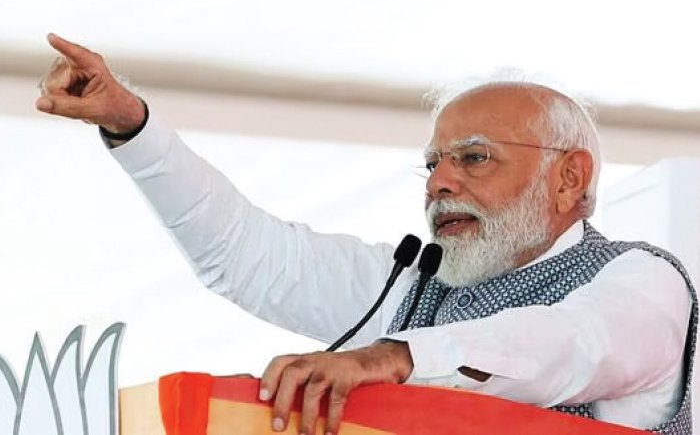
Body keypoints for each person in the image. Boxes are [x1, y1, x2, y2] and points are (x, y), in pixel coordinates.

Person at [36, 33, 696, 435]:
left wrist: (391, 358)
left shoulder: (641, 279)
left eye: (473, 158)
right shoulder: (411, 288)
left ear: (568, 178)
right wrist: (131, 125)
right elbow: (246, 256)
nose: (440, 183)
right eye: (432, 165)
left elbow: (569, 347)